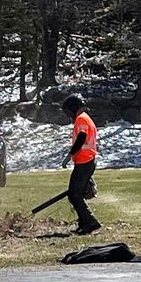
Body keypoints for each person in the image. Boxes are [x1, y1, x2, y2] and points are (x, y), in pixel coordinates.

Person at [62, 95, 100, 232]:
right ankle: (84, 223)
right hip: (86, 160)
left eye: (68, 112)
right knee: (75, 193)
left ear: (73, 108)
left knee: (74, 194)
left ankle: (90, 222)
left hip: (85, 160)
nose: (68, 116)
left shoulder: (81, 119)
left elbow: (82, 137)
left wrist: (70, 155)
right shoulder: (85, 118)